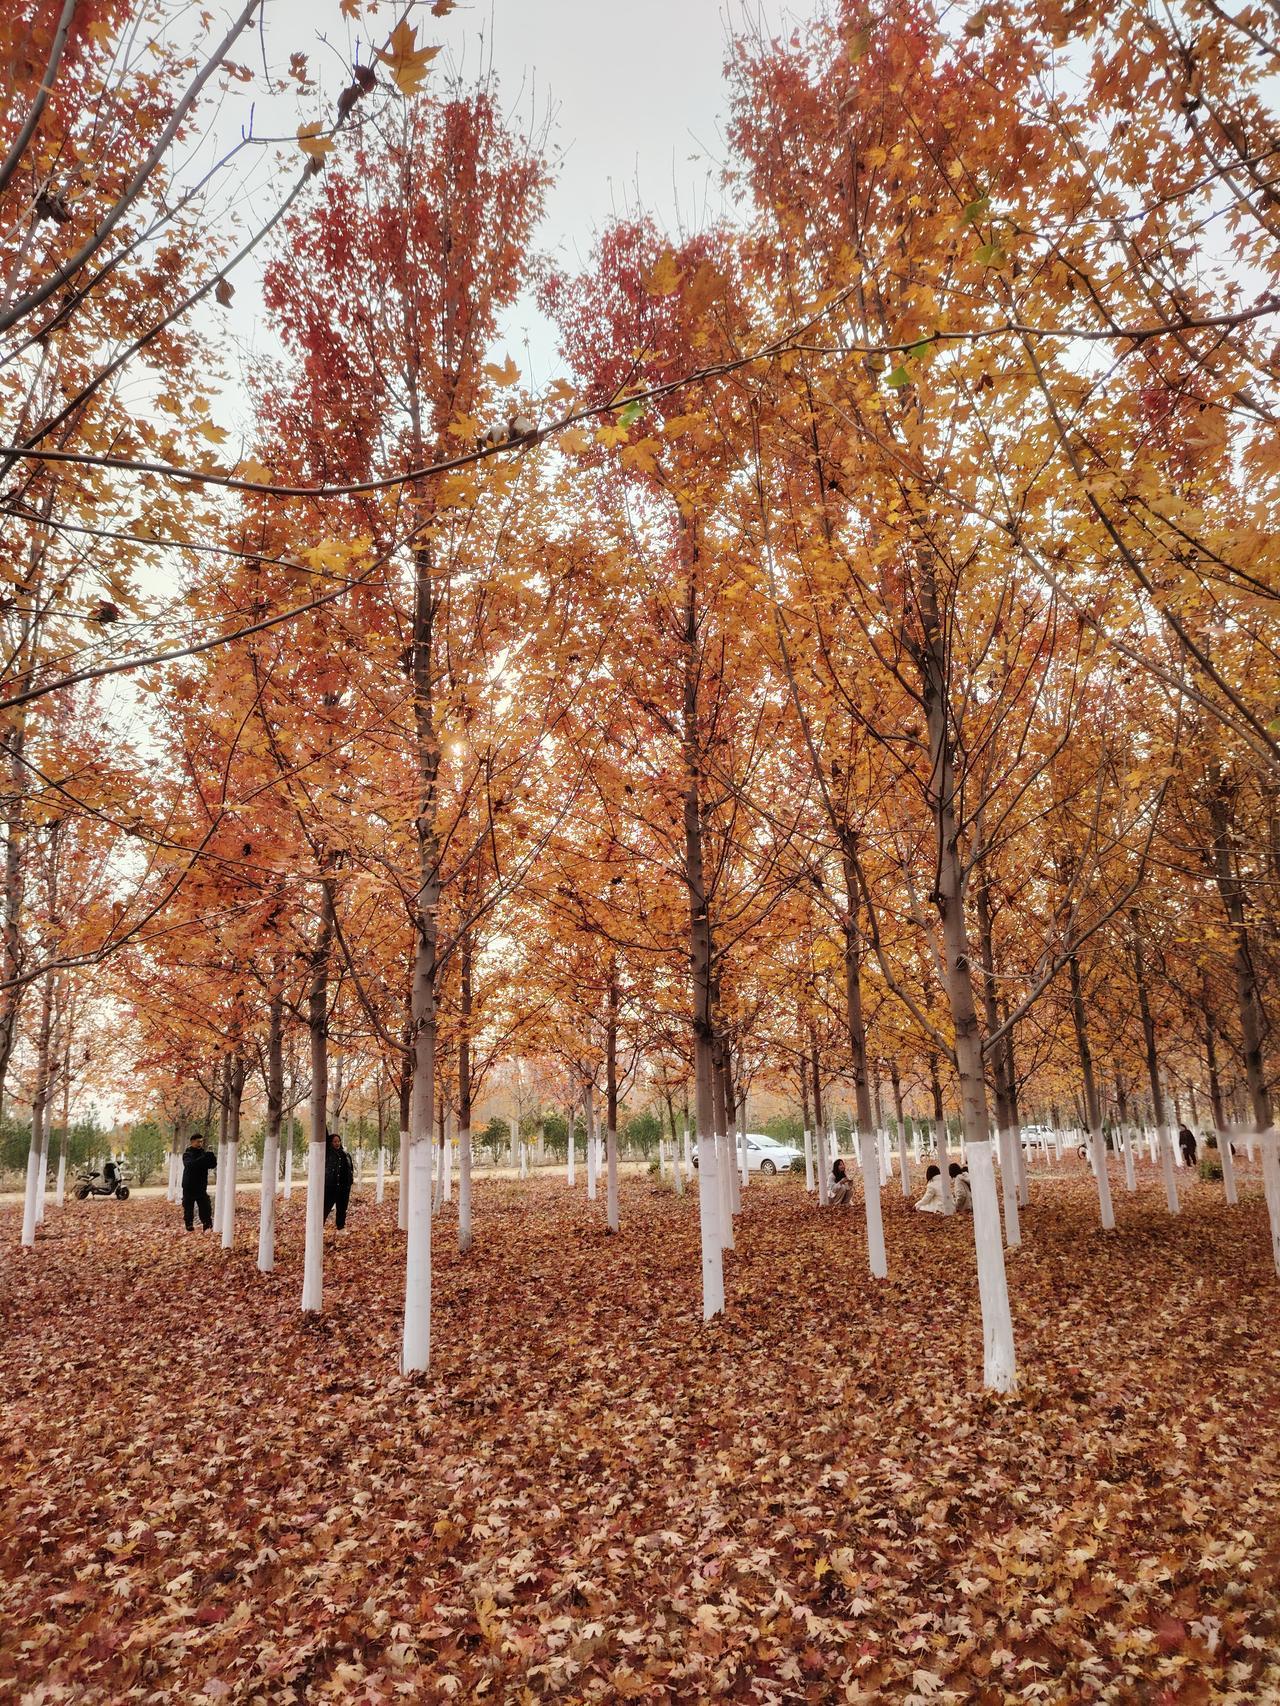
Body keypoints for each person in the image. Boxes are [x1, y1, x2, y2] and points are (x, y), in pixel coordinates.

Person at [180, 1133, 216, 1231]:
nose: (200, 1143)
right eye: (198, 1142)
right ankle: (189, 1224)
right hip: (189, 1185)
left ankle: (207, 1224)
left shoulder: (204, 1153)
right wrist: (204, 1158)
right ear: (192, 1142)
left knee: (205, 1206)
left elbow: (212, 1165)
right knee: (188, 1206)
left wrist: (211, 1156)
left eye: (201, 1141)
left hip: (201, 1186)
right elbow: (190, 1165)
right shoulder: (187, 1154)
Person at [324, 1129, 354, 1229]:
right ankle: (319, 1228)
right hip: (331, 1187)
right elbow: (325, 1135)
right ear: (330, 1143)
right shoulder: (327, 1153)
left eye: (338, 1141)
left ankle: (340, 1228)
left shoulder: (345, 1154)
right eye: (335, 1141)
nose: (337, 1143)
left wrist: (350, 1182)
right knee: (325, 1208)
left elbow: (350, 1169)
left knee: (342, 1209)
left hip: (344, 1188)